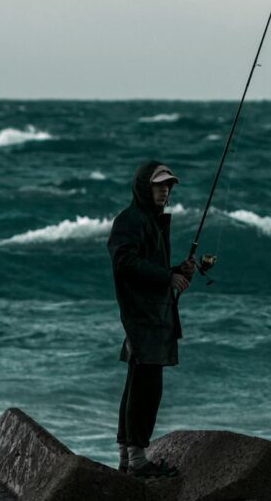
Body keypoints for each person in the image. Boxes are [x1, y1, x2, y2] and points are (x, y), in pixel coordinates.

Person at [108, 160, 196, 479]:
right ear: (144, 187)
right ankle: (137, 460)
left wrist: (175, 271)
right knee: (148, 386)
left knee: (137, 383)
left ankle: (126, 456)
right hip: (141, 315)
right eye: (159, 185)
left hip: (152, 313)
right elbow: (124, 262)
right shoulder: (130, 220)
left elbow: (145, 264)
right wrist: (166, 277)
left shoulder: (151, 220)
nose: (165, 190)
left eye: (168, 185)